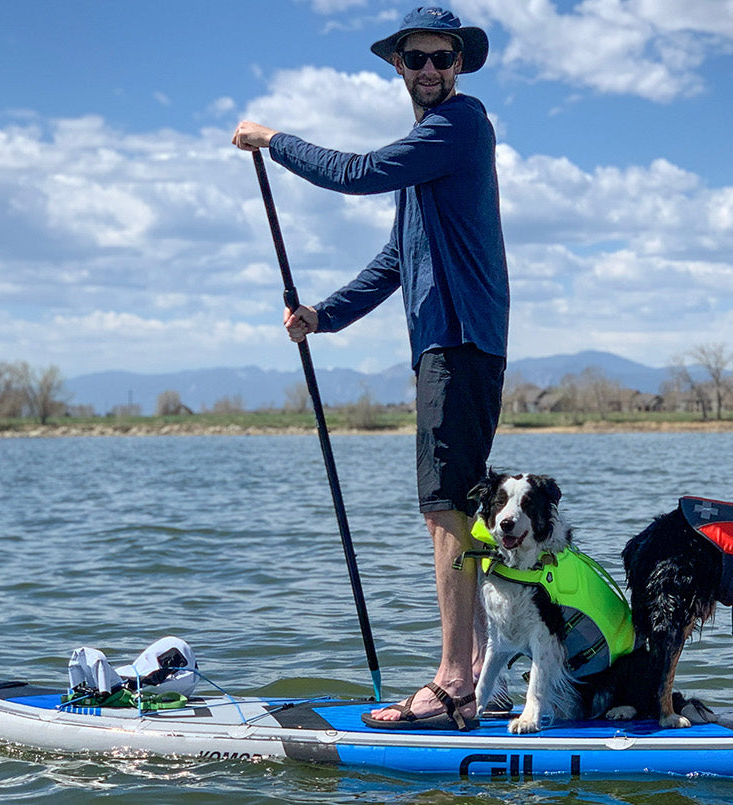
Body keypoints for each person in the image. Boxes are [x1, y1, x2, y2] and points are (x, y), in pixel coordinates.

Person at [232, 6, 507, 731]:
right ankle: (479, 670)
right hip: (444, 345)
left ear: (459, 65)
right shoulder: (425, 156)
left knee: (447, 509)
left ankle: (454, 684)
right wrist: (324, 315)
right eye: (415, 59)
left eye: (442, 58)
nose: (429, 70)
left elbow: (354, 172)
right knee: (443, 511)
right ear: (398, 66)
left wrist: (273, 139)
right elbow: (396, 261)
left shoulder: (461, 125)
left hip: (461, 341)